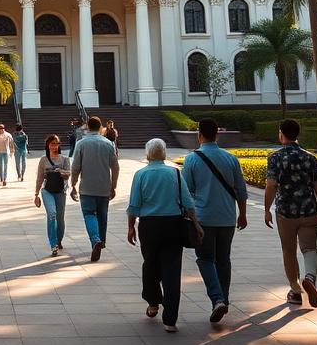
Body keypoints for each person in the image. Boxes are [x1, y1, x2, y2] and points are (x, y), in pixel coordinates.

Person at [127, 138, 202, 333]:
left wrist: (130, 227)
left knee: (150, 265)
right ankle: (170, 319)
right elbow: (188, 203)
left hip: (149, 226)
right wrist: (196, 224)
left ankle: (153, 302)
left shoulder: (141, 174)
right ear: (164, 153)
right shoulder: (175, 174)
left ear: (147, 154)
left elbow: (134, 204)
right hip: (173, 225)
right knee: (172, 270)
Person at [182, 118, 249, 324]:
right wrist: (242, 214)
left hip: (203, 218)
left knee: (205, 259)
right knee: (223, 259)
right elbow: (241, 190)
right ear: (217, 134)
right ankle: (224, 300)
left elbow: (186, 193)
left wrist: (188, 218)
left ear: (199, 134)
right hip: (227, 217)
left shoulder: (191, 160)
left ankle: (217, 298)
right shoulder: (230, 158)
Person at [263, 118, 317, 309]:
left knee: (289, 250)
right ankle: (309, 277)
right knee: (309, 248)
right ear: (297, 134)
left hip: (285, 212)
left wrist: (266, 209)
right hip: (309, 210)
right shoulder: (310, 157)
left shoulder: (275, 158)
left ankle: (295, 291)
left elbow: (271, 185)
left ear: (281, 133)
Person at [71, 114, 119, 261]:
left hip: (86, 187)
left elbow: (75, 167)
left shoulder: (81, 143)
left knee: (89, 214)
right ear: (100, 128)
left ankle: (95, 240)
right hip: (104, 186)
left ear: (87, 127)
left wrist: (73, 184)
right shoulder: (108, 144)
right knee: (102, 215)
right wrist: (113, 186)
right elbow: (115, 167)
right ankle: (101, 241)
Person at [34, 134, 71, 256]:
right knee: (52, 214)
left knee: (60, 218)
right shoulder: (43, 160)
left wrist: (61, 171)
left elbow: (69, 174)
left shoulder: (64, 159)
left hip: (60, 191)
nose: (55, 146)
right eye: (52, 144)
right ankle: (53, 244)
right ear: (48, 145)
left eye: (57, 144)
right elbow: (40, 177)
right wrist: (36, 193)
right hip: (47, 191)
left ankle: (59, 240)